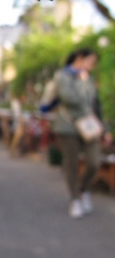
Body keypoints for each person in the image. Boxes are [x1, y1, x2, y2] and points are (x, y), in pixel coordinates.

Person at [53, 48, 111, 219]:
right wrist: (82, 82)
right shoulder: (63, 76)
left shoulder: (86, 78)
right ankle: (74, 199)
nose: (91, 67)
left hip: (90, 127)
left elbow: (94, 104)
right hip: (68, 126)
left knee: (94, 162)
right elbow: (70, 99)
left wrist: (104, 130)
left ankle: (83, 190)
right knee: (71, 163)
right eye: (90, 62)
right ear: (80, 58)